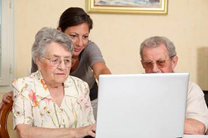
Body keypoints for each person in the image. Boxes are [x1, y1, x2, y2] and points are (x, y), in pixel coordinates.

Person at [2, 7, 111, 119]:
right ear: (60, 31)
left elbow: (101, 69)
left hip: (90, 100)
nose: (80, 43)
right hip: (58, 100)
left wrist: (112, 86)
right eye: (73, 36)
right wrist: (18, 91)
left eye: (85, 36)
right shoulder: (44, 51)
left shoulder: (89, 48)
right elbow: (35, 80)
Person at [12, 27, 96, 138]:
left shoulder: (81, 87)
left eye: (67, 60)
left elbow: (89, 129)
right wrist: (75, 133)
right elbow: (24, 132)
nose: (62, 67)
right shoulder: (23, 87)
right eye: (55, 60)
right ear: (38, 61)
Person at [140, 36, 208, 135]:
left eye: (161, 62)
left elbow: (197, 127)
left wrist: (151, 121)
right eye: (148, 63)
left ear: (174, 62)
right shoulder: (133, 90)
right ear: (142, 64)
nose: (154, 69)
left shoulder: (190, 89)